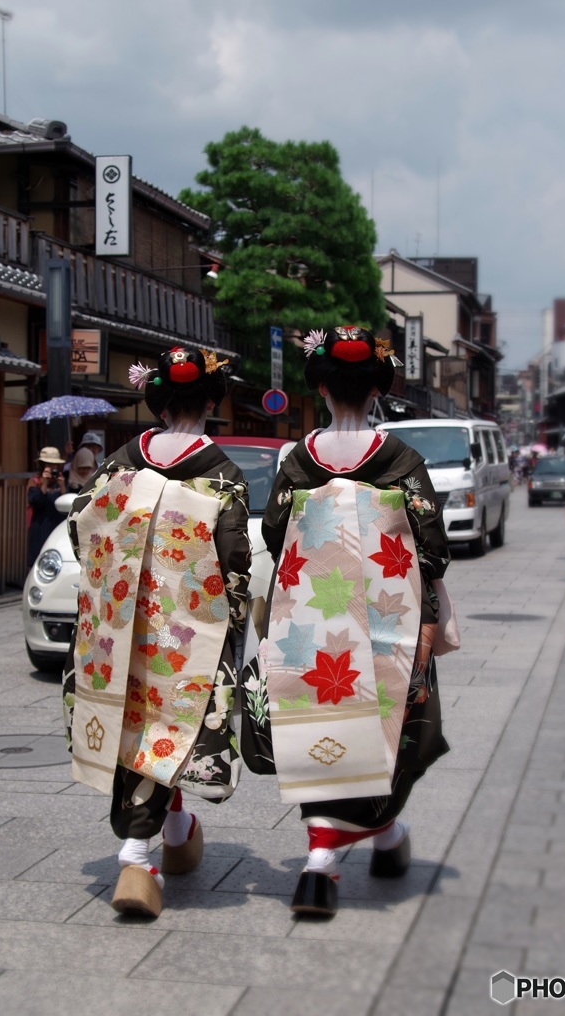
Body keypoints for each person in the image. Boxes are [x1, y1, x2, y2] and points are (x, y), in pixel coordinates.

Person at [245, 326, 451, 917]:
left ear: (321, 388)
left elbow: (275, 533)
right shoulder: (401, 460)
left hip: (310, 616)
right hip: (391, 617)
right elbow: (432, 549)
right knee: (390, 729)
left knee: (319, 725)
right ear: (377, 391)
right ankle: (337, 855)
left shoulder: (298, 461)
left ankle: (336, 853)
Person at [62, 346, 251, 919]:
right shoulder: (220, 472)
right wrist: (233, 617)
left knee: (130, 724)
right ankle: (138, 855)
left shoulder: (121, 461)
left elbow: (81, 526)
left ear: (158, 400)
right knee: (174, 724)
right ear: (212, 401)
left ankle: (174, 831)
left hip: (118, 626)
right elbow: (233, 562)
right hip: (185, 632)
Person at [26, 446, 66, 568]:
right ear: (42, 465)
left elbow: (68, 503)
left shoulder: (61, 481)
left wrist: (62, 485)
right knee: (38, 561)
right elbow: (35, 502)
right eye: (49, 464)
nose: (52, 468)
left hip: (57, 525)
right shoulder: (35, 481)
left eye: (55, 465)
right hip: (40, 526)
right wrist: (44, 483)